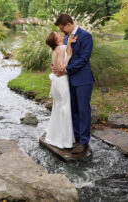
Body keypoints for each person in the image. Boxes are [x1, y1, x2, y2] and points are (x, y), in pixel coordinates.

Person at [52, 14, 94, 154]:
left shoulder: (86, 36)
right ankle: (75, 135)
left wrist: (66, 70)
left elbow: (83, 59)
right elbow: (62, 55)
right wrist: (55, 66)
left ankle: (83, 141)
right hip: (69, 80)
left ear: (69, 24)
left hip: (83, 80)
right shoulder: (66, 38)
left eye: (62, 28)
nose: (61, 31)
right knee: (73, 108)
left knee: (83, 110)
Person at [45, 31, 75, 149]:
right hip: (62, 81)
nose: (59, 33)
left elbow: (55, 65)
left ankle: (56, 135)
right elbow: (62, 67)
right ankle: (65, 141)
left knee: (58, 108)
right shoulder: (62, 48)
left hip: (57, 82)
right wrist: (70, 56)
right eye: (56, 34)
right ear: (56, 40)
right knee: (65, 108)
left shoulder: (55, 49)